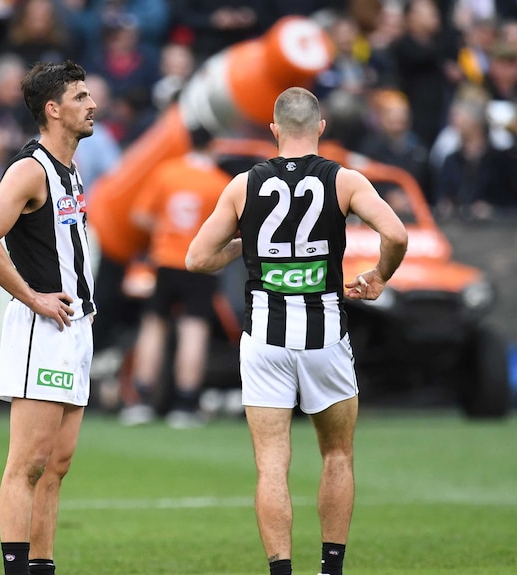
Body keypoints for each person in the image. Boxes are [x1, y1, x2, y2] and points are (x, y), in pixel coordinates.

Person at [186, 87, 407, 575]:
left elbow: (196, 258)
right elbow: (395, 234)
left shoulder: (243, 185)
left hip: (264, 338)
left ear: (274, 130)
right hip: (325, 336)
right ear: (321, 128)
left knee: (271, 465)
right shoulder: (344, 180)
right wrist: (379, 276)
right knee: (337, 456)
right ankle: (331, 569)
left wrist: (244, 247)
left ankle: (281, 570)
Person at [0, 60, 96, 575]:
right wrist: (33, 297)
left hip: (77, 327)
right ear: (53, 109)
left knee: (57, 467)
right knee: (29, 464)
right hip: (45, 329)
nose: (91, 105)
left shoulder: (70, 169)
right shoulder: (30, 168)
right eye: (81, 97)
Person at [119, 127, 231, 429]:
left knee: (154, 326)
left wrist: (165, 230)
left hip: (165, 260)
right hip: (201, 263)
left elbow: (140, 216)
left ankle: (141, 399)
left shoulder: (167, 173)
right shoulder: (220, 183)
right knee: (194, 330)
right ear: (213, 146)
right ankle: (186, 402)